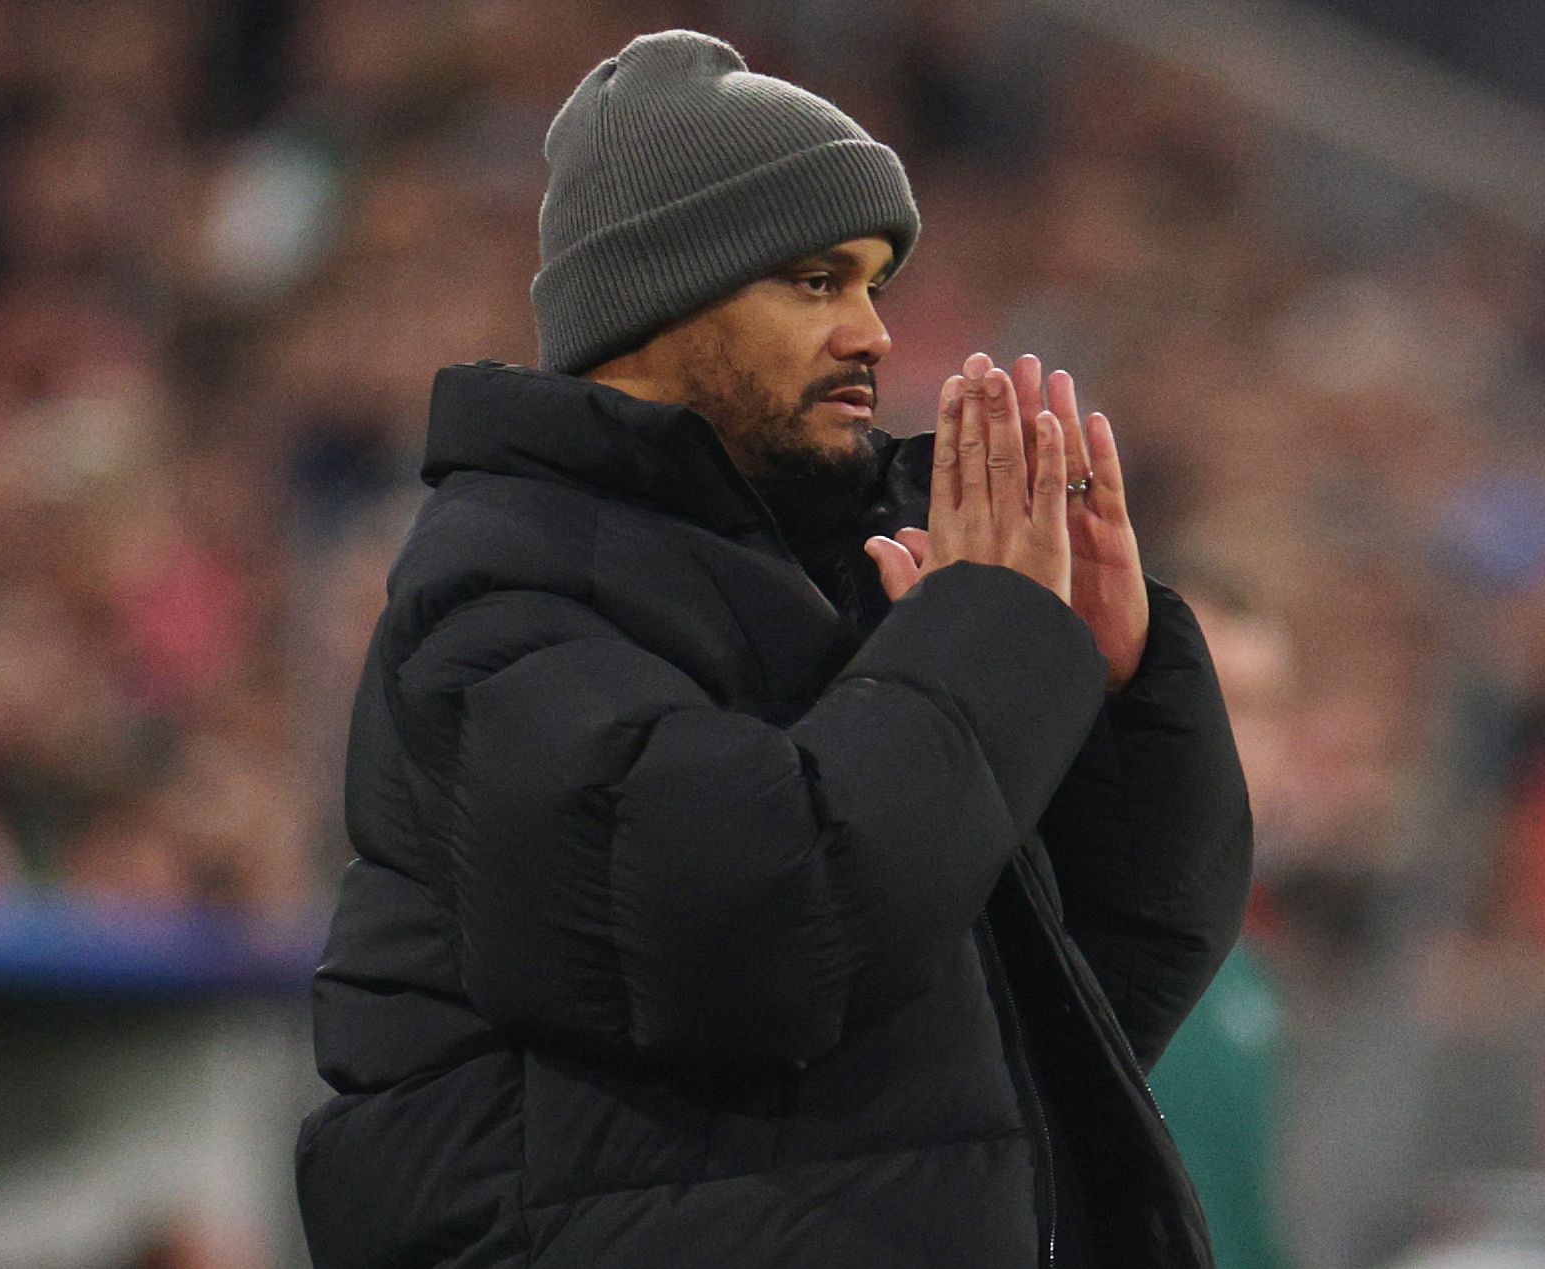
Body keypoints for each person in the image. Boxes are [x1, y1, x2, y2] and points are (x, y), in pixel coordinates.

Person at [294, 30, 1251, 1269]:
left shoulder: (838, 581)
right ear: (659, 298)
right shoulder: (500, 589)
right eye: (814, 281)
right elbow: (760, 930)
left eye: (874, 286)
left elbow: (1070, 1003)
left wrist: (1098, 695)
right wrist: (989, 638)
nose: (872, 333)